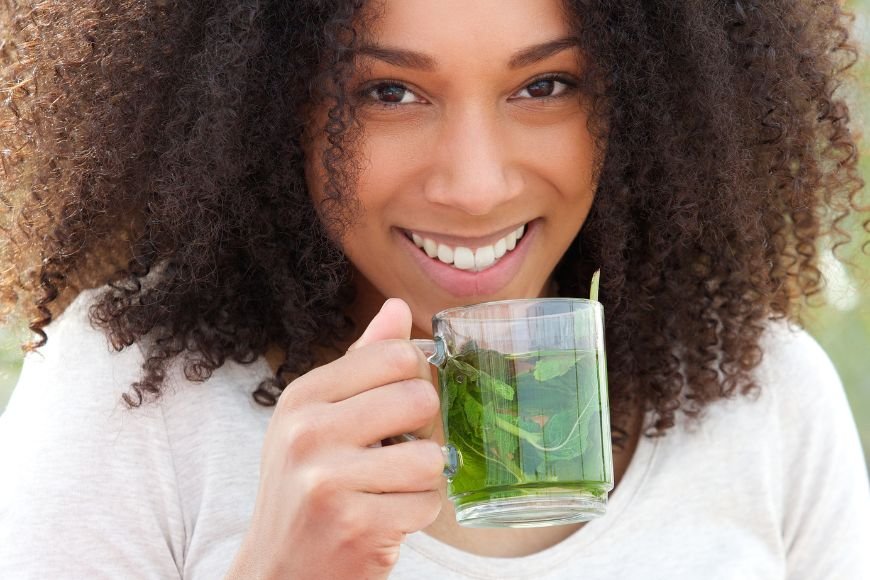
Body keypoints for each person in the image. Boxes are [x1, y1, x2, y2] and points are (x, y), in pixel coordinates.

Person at [1, 0, 868, 578]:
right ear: (270, 108)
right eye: (390, 92)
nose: (476, 186)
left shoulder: (766, 397)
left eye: (546, 85)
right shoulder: (129, 402)